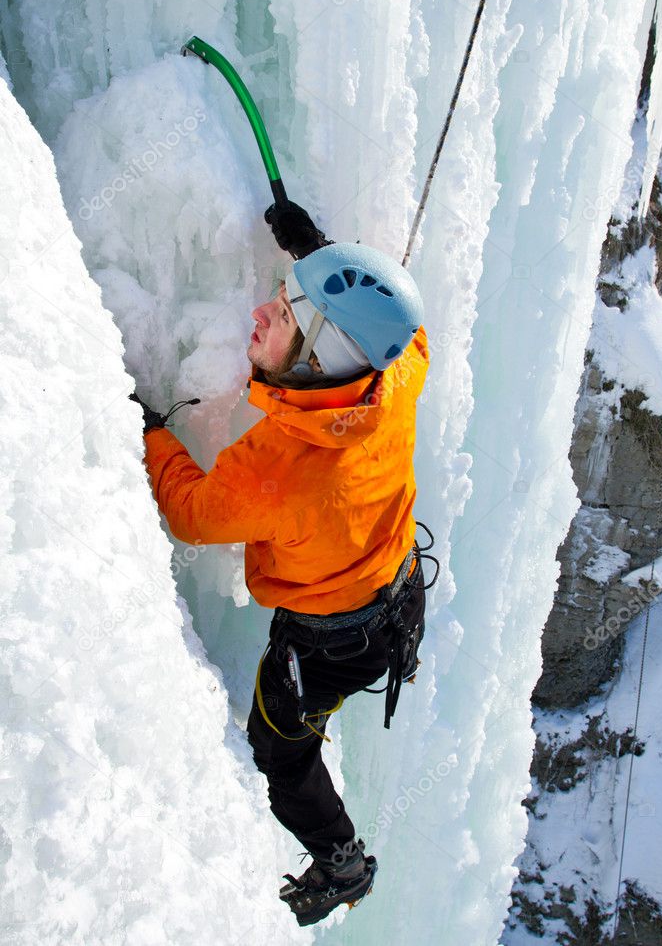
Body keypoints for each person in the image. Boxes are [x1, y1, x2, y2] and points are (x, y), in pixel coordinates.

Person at [133, 202, 433, 926]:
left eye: (289, 314)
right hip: (399, 596)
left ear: (321, 357)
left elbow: (194, 513)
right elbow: (408, 331)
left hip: (328, 643)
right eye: (284, 295)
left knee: (280, 750)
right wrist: (325, 261)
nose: (263, 312)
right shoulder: (391, 379)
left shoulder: (283, 466)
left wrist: (149, 434)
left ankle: (343, 862)